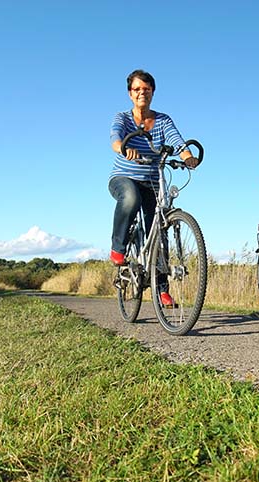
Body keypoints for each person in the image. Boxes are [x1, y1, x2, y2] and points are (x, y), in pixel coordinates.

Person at [108, 69, 198, 307]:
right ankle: (118, 247)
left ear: (153, 92)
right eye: (137, 89)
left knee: (159, 230)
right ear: (130, 93)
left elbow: (177, 141)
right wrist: (123, 148)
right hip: (124, 178)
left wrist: (188, 157)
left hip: (153, 181)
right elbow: (115, 137)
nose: (142, 93)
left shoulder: (163, 120)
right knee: (131, 199)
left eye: (146, 89)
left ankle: (162, 289)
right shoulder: (123, 118)